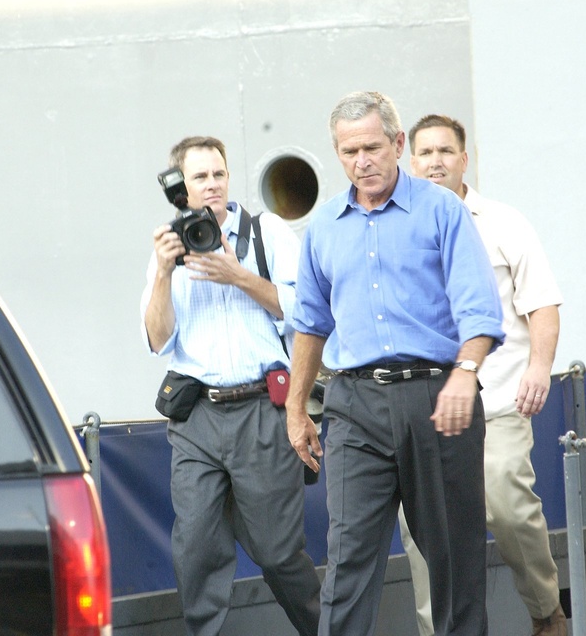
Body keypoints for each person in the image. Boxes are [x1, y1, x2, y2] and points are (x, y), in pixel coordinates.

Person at [285, 91, 505, 636]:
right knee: (348, 558)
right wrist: (295, 408)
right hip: (354, 405)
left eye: (373, 147)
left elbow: (480, 309)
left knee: (455, 558)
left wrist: (465, 374)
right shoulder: (324, 230)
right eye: (349, 151)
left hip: (438, 398)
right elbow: (310, 326)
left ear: (398, 144)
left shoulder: (442, 210)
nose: (362, 162)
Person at [140, 136, 320, 636]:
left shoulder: (269, 233)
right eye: (200, 177)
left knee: (278, 553)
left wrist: (237, 275)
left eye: (218, 174)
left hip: (261, 409)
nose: (213, 185)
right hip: (196, 415)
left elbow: (304, 313)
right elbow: (157, 339)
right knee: (195, 550)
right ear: (182, 187)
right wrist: (161, 272)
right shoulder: (169, 247)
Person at [397, 114, 565, 636]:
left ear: (464, 160)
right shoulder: (392, 226)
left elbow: (542, 304)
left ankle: (546, 611)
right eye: (424, 153)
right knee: (424, 535)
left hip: (497, 403)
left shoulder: (503, 221)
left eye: (446, 151)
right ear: (410, 159)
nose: (435, 162)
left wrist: (539, 368)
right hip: (421, 411)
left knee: (511, 512)